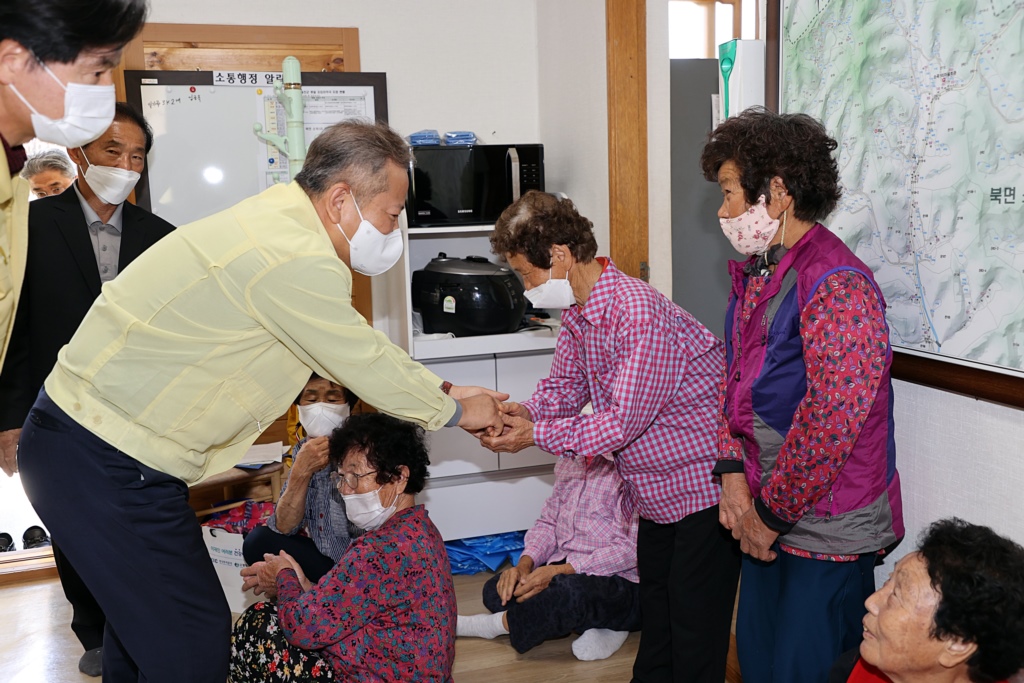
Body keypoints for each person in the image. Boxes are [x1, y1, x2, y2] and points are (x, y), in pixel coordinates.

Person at [16, 119, 504, 683]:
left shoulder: (277, 220)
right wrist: (461, 410)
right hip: (105, 459)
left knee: (143, 638)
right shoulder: (295, 255)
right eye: (392, 213)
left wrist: (446, 391)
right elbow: (359, 355)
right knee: (192, 643)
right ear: (342, 199)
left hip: (94, 450)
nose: (394, 228)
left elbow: (353, 349)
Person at [481, 191, 741, 682]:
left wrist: (536, 435)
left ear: (559, 254)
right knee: (660, 629)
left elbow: (620, 423)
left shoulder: (636, 312)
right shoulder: (580, 315)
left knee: (693, 637)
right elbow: (562, 388)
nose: (526, 287)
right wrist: (519, 414)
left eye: (526, 274)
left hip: (702, 491)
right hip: (653, 497)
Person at [699, 107, 904, 683]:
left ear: (778, 192)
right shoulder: (762, 273)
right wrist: (733, 477)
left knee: (806, 670)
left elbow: (831, 421)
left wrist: (769, 514)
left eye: (731, 192)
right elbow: (732, 382)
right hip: (769, 514)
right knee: (761, 665)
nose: (723, 210)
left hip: (826, 525)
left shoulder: (837, 284)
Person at [0, 101, 172, 678]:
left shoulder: (163, 239)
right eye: (113, 151)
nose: (125, 165)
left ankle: (139, 624)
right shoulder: (33, 227)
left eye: (137, 156)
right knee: (72, 522)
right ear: (81, 154)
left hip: (139, 411)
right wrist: (8, 420)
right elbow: (14, 331)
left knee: (137, 518)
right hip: (56, 411)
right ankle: (93, 629)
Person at [0, 0, 147, 468]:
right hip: (52, 414)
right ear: (14, 62)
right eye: (97, 71)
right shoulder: (36, 216)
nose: (104, 91)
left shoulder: (10, 175)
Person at [231, 413, 456, 683]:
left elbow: (301, 628)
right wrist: (303, 586)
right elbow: (357, 604)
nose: (346, 490)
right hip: (404, 667)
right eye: (342, 478)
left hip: (382, 673)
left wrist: (283, 577)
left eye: (355, 477)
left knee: (259, 624)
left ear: (399, 477)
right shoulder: (421, 529)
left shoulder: (378, 550)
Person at [456, 451, 641, 660]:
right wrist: (524, 565)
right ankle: (604, 623)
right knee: (498, 588)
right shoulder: (571, 460)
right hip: (568, 570)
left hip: (620, 579)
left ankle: (491, 626)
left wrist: (557, 571)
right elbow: (549, 523)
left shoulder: (630, 467)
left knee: (570, 593)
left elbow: (629, 550)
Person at [830, 518, 1024, 683]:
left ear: (957, 643)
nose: (871, 602)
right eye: (888, 581)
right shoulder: (853, 668)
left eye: (897, 594)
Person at [243, 373, 360, 582]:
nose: (321, 407)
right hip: (326, 560)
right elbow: (285, 526)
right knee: (257, 542)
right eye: (312, 400)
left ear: (349, 406)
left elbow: (365, 528)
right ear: (299, 407)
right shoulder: (302, 449)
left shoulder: (361, 450)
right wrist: (301, 470)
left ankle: (318, 591)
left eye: (332, 400)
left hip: (360, 564)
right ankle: (311, 587)